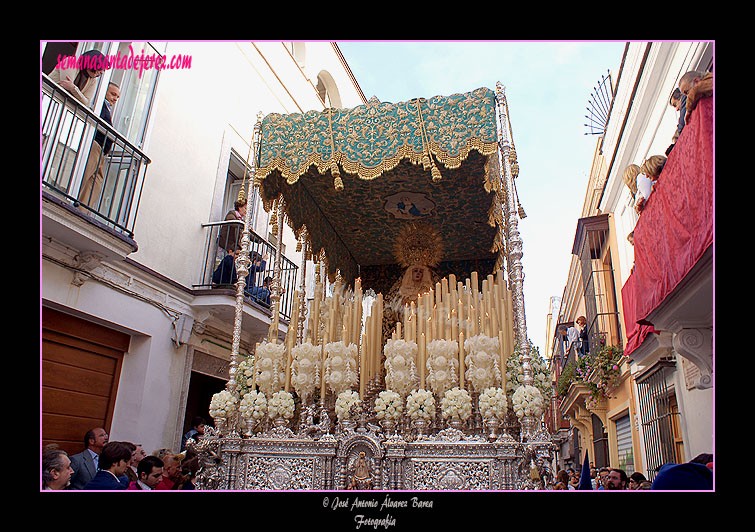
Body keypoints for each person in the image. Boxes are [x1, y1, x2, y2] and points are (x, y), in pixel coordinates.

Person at [78, 81, 120, 211]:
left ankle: (82, 210)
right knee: (84, 177)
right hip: (94, 146)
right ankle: (74, 201)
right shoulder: (99, 104)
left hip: (101, 152)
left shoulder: (107, 108)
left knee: (95, 183)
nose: (115, 99)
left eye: (117, 97)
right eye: (113, 94)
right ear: (104, 91)